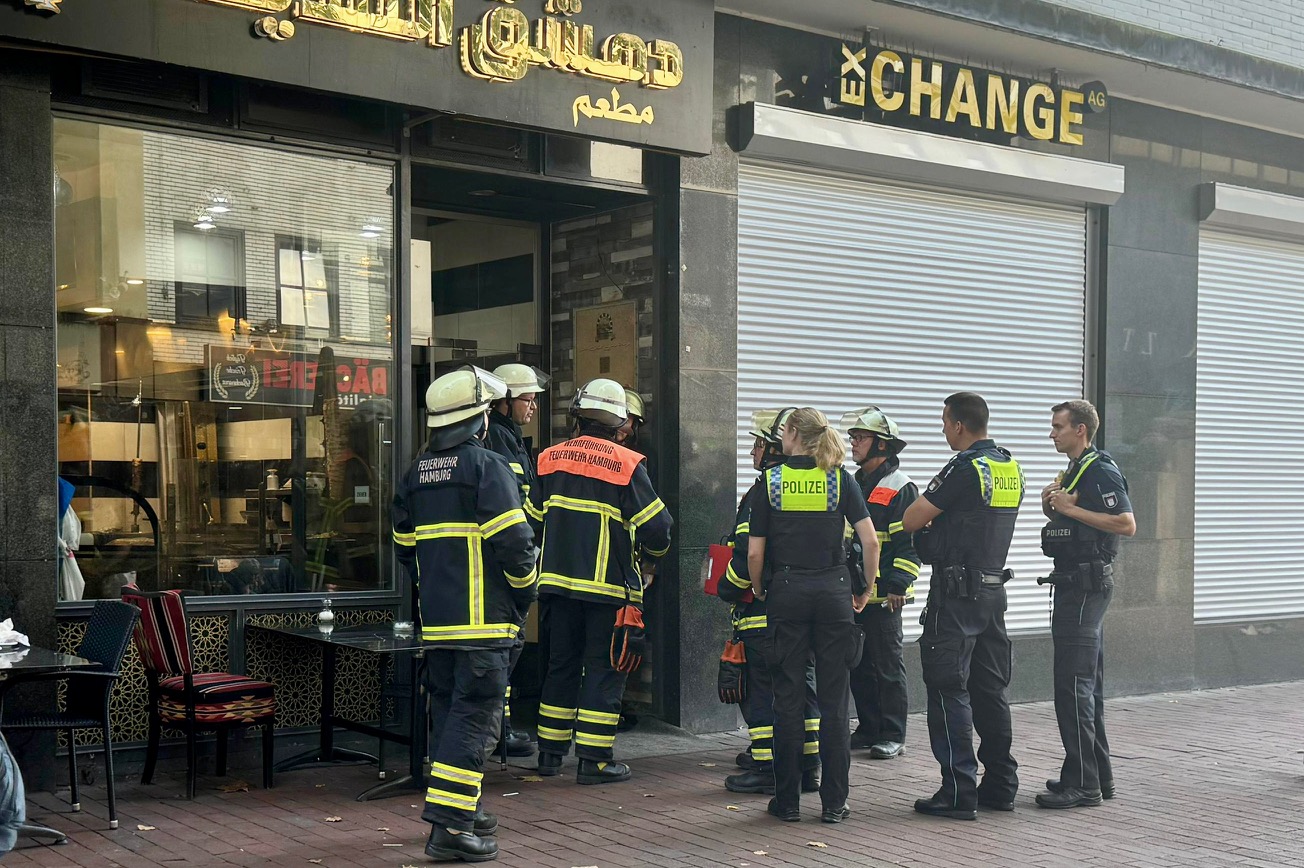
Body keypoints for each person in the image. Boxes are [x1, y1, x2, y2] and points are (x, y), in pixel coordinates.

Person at [392, 365, 539, 863]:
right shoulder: (486, 466)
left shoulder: (414, 474)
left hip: (439, 624)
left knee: (450, 717)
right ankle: (450, 830)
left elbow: (404, 547)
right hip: (486, 624)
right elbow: (517, 547)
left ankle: (464, 808)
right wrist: (523, 595)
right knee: (475, 721)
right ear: (478, 420)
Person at [527, 378, 673, 784]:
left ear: (578, 413)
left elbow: (531, 524)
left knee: (561, 667)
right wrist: (650, 564)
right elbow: (659, 529)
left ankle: (550, 755)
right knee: (606, 670)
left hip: (555, 587)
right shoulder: (626, 464)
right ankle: (594, 760)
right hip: (610, 592)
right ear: (619, 421)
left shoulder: (547, 460)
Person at [747, 408, 878, 824]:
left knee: (788, 699)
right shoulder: (841, 479)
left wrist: (759, 587)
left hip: (787, 592)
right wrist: (866, 587)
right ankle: (834, 804)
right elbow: (870, 541)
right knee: (835, 703)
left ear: (790, 434)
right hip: (834, 593)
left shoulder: (771, 481)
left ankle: (787, 803)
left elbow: (754, 552)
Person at [902, 392, 1024, 821]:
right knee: (990, 689)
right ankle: (1001, 786)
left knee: (948, 686)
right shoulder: (1009, 465)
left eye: (943, 421)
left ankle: (957, 791)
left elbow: (913, 518)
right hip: (993, 591)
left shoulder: (965, 466)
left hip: (955, 596)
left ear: (958, 425)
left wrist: (938, 521)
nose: (942, 429)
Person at [718, 408, 823, 796]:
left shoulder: (765, 489)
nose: (752, 454)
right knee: (803, 688)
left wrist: (729, 587)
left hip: (764, 612)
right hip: (808, 609)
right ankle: (809, 767)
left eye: (758, 445)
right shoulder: (827, 484)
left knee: (761, 689)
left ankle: (766, 766)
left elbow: (748, 554)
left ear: (777, 447)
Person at [1036, 400, 1135, 809]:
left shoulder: (1099, 469)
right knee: (1085, 687)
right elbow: (1073, 521)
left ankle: (1083, 784)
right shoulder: (1076, 470)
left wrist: (1071, 507)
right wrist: (1054, 506)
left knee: (1073, 686)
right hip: (1076, 581)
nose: (1052, 433)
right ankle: (1097, 775)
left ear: (1081, 429)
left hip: (1085, 586)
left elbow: (1126, 524)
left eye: (1058, 426)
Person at [841, 407, 920, 760]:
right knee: (858, 664)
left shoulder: (900, 488)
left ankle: (893, 733)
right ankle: (869, 727)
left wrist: (899, 584)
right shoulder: (853, 482)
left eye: (860, 438)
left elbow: (909, 543)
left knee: (887, 667)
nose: (853, 443)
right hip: (854, 593)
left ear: (883, 446)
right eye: (853, 437)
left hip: (885, 595)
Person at [487, 363, 551, 759]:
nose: (533, 407)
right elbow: (516, 499)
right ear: (505, 402)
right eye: (527, 399)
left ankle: (502, 728)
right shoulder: (497, 437)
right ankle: (499, 731)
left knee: (510, 646)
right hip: (506, 560)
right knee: (505, 648)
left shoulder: (508, 435)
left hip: (515, 554)